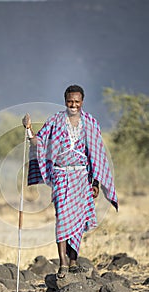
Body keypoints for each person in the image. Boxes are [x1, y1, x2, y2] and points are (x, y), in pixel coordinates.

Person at [22, 84, 118, 278]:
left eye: (76, 101)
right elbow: (39, 143)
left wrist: (95, 183)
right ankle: (63, 263)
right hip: (61, 175)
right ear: (65, 101)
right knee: (63, 218)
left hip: (82, 177)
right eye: (69, 101)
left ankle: (74, 262)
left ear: (82, 102)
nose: (73, 105)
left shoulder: (90, 122)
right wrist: (29, 129)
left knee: (79, 219)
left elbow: (96, 155)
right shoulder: (55, 121)